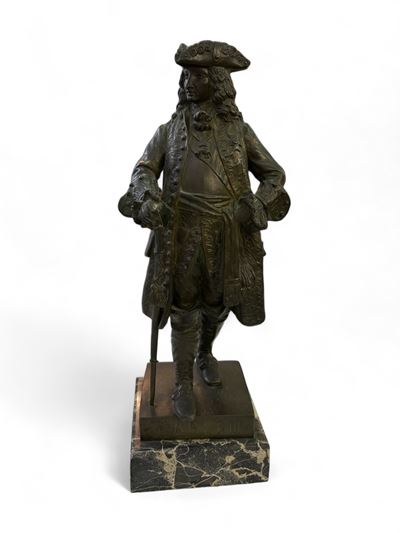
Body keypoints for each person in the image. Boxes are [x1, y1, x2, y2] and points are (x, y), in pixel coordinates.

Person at [118, 40, 290, 422]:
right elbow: (143, 170)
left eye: (196, 76)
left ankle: (204, 353)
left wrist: (258, 205)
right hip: (180, 232)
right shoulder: (168, 131)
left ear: (217, 81)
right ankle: (181, 381)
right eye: (185, 77)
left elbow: (274, 175)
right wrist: (148, 198)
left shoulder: (239, 132)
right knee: (183, 309)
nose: (187, 83)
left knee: (217, 303)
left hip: (226, 233)